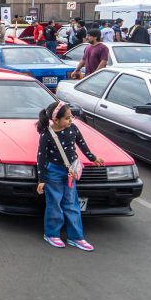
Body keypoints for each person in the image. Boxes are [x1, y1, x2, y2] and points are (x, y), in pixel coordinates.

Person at [36, 100, 104, 251]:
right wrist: (41, 180)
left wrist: (93, 158)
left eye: (71, 116)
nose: (70, 120)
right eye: (67, 118)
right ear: (56, 120)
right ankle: (51, 234)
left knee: (72, 204)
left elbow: (82, 144)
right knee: (54, 203)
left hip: (70, 172)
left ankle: (76, 237)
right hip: (53, 172)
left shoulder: (73, 128)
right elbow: (40, 157)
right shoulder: (46, 135)